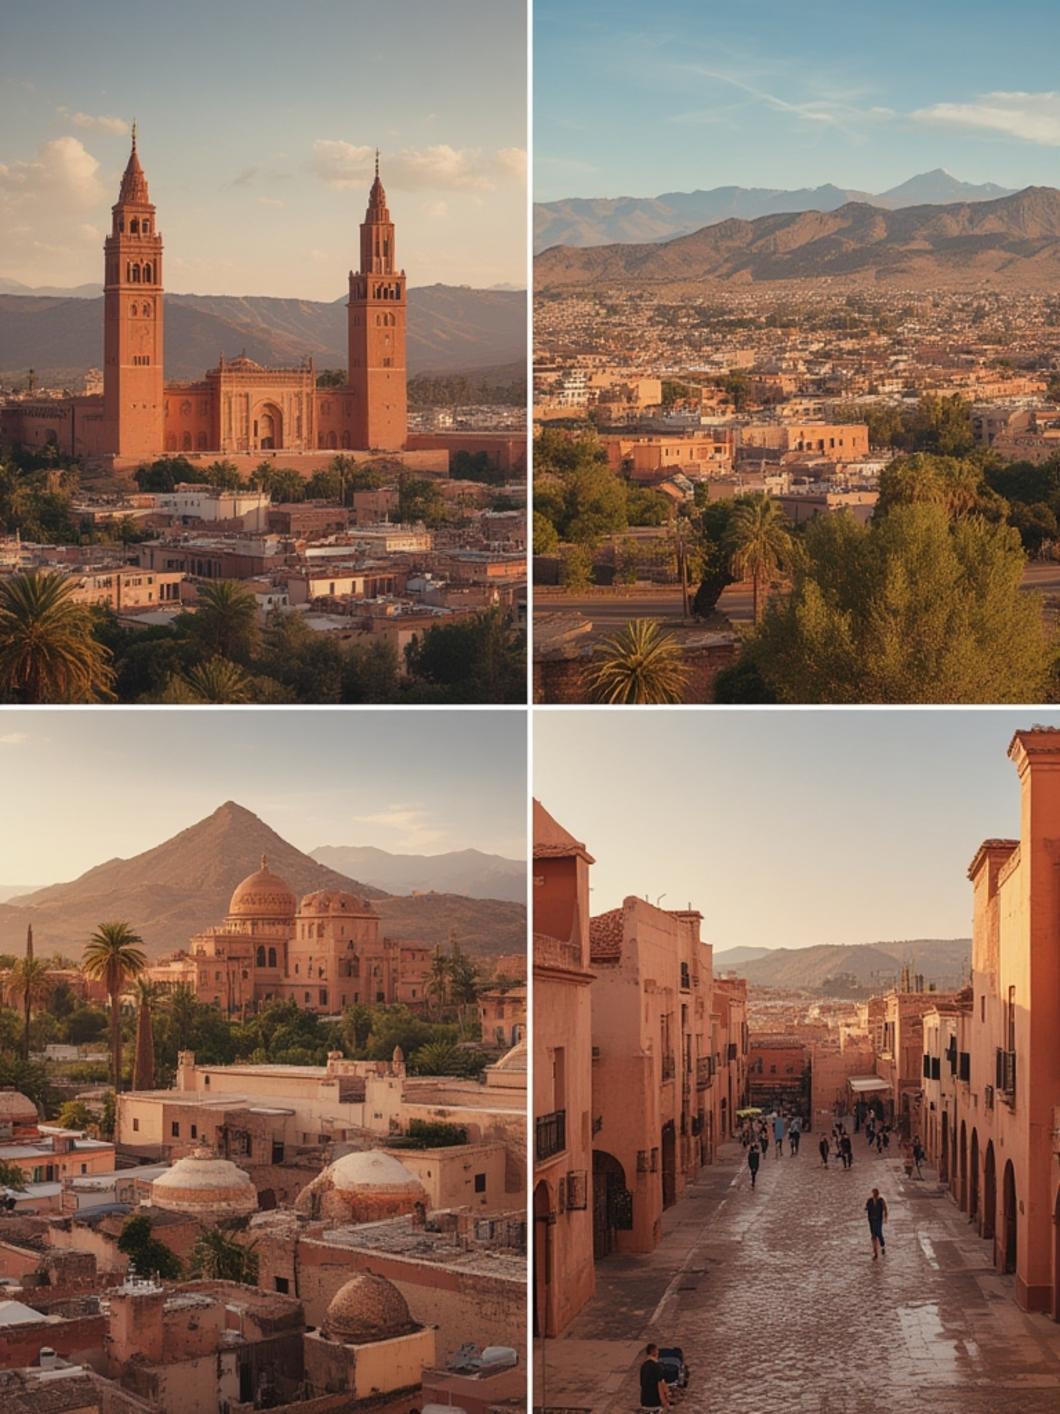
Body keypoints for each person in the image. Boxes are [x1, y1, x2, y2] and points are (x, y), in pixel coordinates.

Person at [639, 1343, 670, 1411]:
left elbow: (642, 1384)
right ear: (655, 1352)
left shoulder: (643, 1367)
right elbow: (660, 1387)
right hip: (655, 1404)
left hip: (644, 1402)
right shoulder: (657, 1367)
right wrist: (665, 1403)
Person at [866, 1188, 888, 1259]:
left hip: (878, 1220)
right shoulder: (869, 1200)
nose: (875, 1195)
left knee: (879, 1233)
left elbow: (885, 1209)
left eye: (876, 1193)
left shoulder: (881, 1200)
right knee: (873, 1235)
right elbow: (866, 1208)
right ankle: (875, 1252)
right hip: (871, 1220)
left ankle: (882, 1246)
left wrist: (885, 1218)